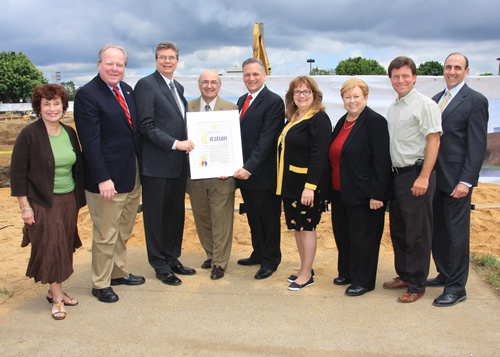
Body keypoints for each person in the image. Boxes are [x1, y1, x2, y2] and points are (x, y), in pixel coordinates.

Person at [74, 44, 145, 304]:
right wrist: (103, 178)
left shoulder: (126, 91)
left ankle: (117, 272)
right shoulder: (87, 95)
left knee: (123, 230)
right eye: (110, 63)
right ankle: (100, 283)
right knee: (106, 233)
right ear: (99, 64)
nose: (115, 68)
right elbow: (90, 143)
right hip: (106, 181)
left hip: (131, 175)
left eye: (120, 64)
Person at [10, 84, 85, 319]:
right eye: (46, 104)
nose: (52, 109)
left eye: (56, 103)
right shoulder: (29, 135)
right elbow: (18, 173)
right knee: (51, 246)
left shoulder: (69, 132)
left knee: (63, 244)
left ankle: (57, 290)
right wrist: (25, 207)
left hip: (68, 200)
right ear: (38, 108)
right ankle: (57, 297)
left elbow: (77, 166)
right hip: (43, 201)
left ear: (63, 106)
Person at [429, 53, 489, 307]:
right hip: (434, 179)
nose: (451, 71)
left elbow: (477, 146)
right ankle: (445, 273)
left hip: (456, 182)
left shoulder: (475, 101)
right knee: (439, 233)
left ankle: (457, 287)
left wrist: (466, 181)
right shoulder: (435, 100)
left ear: (466, 71)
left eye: (457, 67)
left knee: (456, 235)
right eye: (448, 67)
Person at [134, 41, 196, 286]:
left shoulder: (177, 87)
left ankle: (172, 258)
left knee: (174, 215)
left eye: (171, 57)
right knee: (156, 217)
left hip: (177, 166)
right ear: (156, 60)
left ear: (177, 60)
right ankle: (159, 264)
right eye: (162, 57)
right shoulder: (146, 85)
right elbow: (146, 126)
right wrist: (175, 144)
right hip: (157, 165)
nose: (167, 61)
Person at [383, 56, 442, 303]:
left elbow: (434, 140)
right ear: (391, 79)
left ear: (415, 77)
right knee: (399, 230)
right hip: (396, 177)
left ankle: (417, 284)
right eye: (396, 76)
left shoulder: (425, 105)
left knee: (417, 233)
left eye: (405, 75)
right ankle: (405, 275)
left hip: (415, 175)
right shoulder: (394, 107)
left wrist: (424, 177)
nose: (401, 80)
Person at [329, 78, 392, 296]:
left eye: (357, 96)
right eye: (348, 97)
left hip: (365, 194)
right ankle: (347, 272)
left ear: (365, 97)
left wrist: (377, 194)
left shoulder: (375, 122)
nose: (352, 101)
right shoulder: (342, 121)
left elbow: (382, 162)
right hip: (340, 192)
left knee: (364, 239)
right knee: (344, 236)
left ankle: (363, 280)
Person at [276, 76, 331, 290]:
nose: (301, 95)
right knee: (298, 227)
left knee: (307, 227)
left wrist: (310, 186)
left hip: (307, 187)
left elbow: (319, 156)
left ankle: (307, 274)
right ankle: (303, 268)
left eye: (306, 91)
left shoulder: (319, 119)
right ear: (291, 97)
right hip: (291, 185)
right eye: (297, 92)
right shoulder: (293, 118)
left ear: (315, 95)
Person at [234, 58, 285, 280]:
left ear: (264, 76)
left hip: (263, 174)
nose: (251, 78)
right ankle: (258, 252)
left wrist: (250, 168)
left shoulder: (273, 102)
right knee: (253, 216)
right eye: (247, 75)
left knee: (268, 218)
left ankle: (271, 260)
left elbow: (267, 140)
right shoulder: (241, 100)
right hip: (245, 174)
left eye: (255, 74)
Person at [186, 70, 238, 280]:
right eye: (205, 82)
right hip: (196, 175)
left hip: (222, 177)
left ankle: (220, 262)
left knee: (221, 220)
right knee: (202, 219)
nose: (209, 86)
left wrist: (231, 166)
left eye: (213, 82)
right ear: (198, 84)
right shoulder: (187, 107)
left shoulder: (231, 108)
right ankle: (211, 253)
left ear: (219, 85)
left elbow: (235, 142)